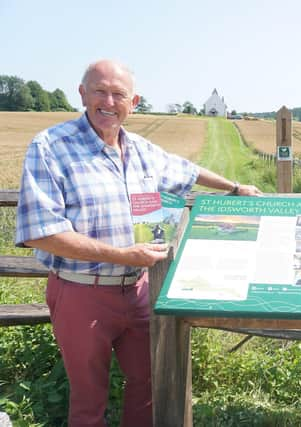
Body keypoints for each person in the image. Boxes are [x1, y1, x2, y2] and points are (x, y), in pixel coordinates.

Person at [15, 59, 261, 427]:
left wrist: (235, 188)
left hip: (140, 290)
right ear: (82, 93)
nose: (109, 102)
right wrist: (122, 255)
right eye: (100, 91)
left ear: (134, 102)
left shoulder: (143, 150)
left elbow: (188, 172)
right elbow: (42, 231)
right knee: (88, 398)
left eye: (119, 94)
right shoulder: (50, 147)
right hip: (82, 293)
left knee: (149, 384)